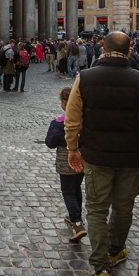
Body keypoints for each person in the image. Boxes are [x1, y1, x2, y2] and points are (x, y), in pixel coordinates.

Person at [64, 31, 139, 276]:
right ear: (130, 51)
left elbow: (72, 120)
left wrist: (72, 149)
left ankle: (100, 270)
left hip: (96, 157)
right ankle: (116, 250)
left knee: (96, 210)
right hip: (132, 159)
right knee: (123, 208)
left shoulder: (84, 78)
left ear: (102, 49)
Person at [45, 86, 87, 242]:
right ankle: (74, 216)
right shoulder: (85, 120)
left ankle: (77, 222)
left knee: (68, 191)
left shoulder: (59, 122)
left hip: (65, 162)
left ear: (64, 103)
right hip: (82, 161)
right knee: (76, 188)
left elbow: (50, 142)